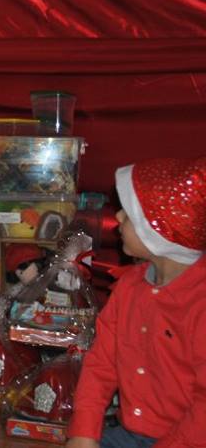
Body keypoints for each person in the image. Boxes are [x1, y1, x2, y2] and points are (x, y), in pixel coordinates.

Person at [66, 157, 206, 448]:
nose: (117, 217)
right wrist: (84, 432)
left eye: (129, 214)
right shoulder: (129, 287)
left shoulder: (199, 304)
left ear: (161, 233)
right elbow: (101, 365)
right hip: (131, 435)